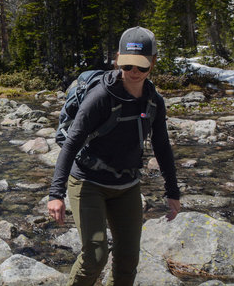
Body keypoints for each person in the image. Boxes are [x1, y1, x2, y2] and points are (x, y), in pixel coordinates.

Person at [47, 26, 181, 286]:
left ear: (153, 62)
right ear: (118, 58)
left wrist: (172, 191)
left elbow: (162, 146)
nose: (133, 72)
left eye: (141, 67)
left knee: (128, 259)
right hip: (87, 183)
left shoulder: (154, 101)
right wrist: (56, 194)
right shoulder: (100, 97)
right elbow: (72, 142)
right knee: (95, 256)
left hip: (127, 186)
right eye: (128, 65)